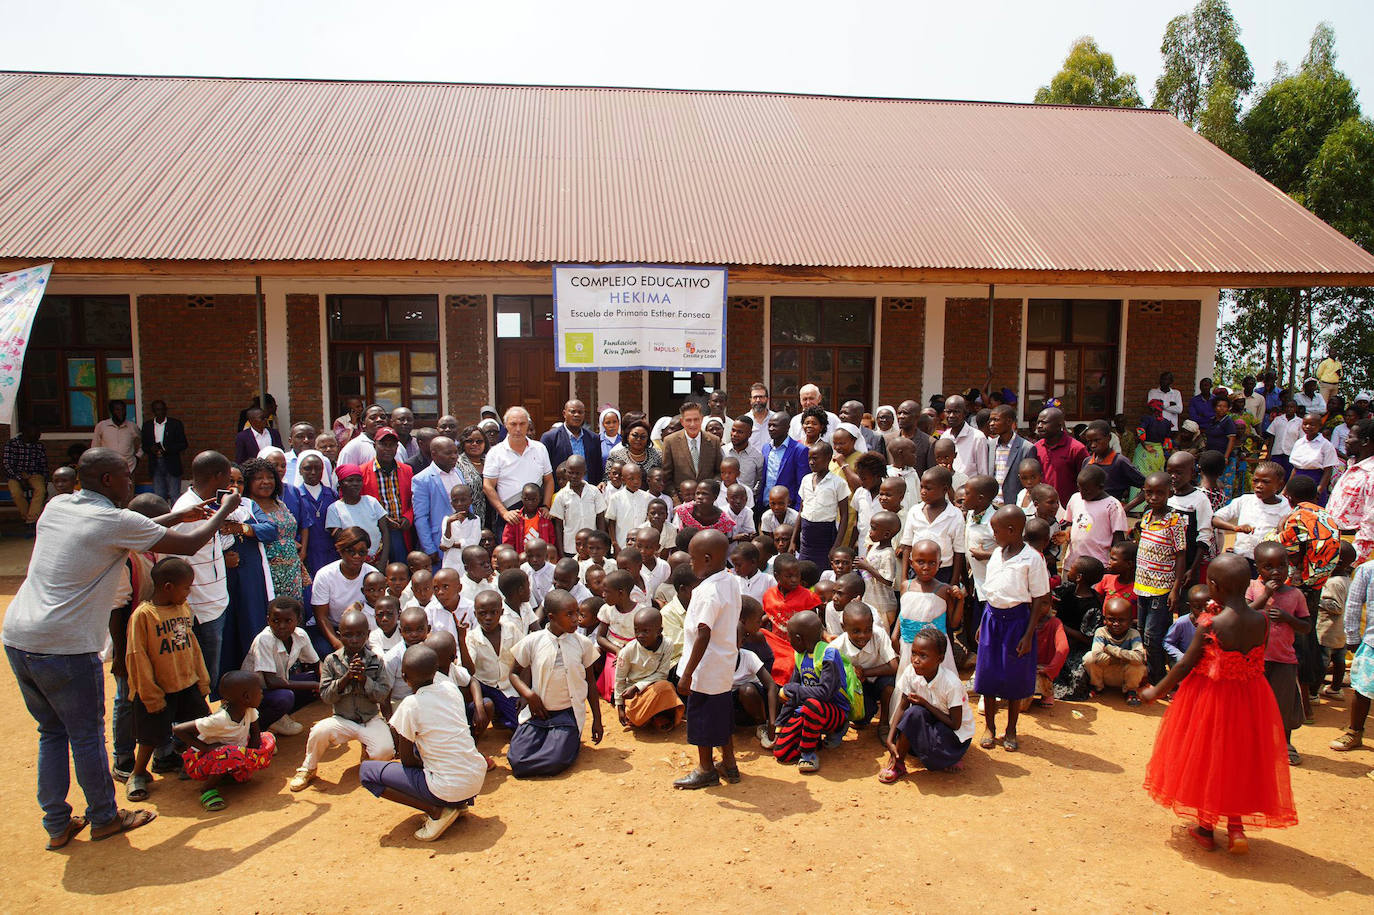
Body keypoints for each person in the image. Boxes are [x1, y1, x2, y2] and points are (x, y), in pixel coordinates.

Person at [4, 447, 241, 847]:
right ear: (109, 480)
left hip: (18, 636)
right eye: (126, 477)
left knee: (51, 732)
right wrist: (224, 509)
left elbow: (123, 530)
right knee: (85, 735)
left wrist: (178, 517)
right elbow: (188, 545)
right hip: (65, 646)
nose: (132, 482)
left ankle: (57, 823)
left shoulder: (58, 506)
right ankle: (104, 816)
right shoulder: (110, 520)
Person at [1140, 554, 1297, 853]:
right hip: (1250, 698)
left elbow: (1185, 664)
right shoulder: (1261, 620)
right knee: (1238, 759)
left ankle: (1206, 828)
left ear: (1214, 586)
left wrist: (1156, 691)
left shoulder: (1210, 624)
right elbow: (1246, 622)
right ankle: (1236, 829)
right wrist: (1264, 597)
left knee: (1208, 758)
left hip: (1211, 699)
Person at [123, 557, 209, 802]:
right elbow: (137, 657)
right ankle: (138, 774)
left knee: (198, 727)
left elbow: (192, 646)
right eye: (186, 588)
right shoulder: (144, 615)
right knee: (150, 737)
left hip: (187, 683)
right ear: (168, 587)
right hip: (158, 689)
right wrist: (150, 694)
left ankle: (186, 763)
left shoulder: (183, 608)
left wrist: (201, 679)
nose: (189, 592)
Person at [290, 609, 394, 791]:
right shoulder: (331, 661)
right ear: (340, 635)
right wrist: (346, 678)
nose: (354, 640)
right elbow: (326, 696)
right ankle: (308, 768)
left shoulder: (376, 661)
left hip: (369, 719)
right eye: (348, 635)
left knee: (385, 752)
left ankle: (367, 751)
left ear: (367, 635)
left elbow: (382, 694)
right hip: (342, 719)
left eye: (359, 634)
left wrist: (364, 680)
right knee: (318, 732)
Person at [975, 506, 1051, 753]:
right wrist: (982, 623)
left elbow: (1040, 599)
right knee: (988, 674)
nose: (993, 534)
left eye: (996, 530)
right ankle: (989, 727)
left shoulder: (1032, 559)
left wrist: (1028, 635)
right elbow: (992, 591)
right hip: (992, 618)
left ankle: (1011, 729)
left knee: (1014, 676)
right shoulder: (997, 553)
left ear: (1011, 530)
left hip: (1017, 621)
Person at [674, 529, 743, 787]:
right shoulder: (731, 581)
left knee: (701, 719)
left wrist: (688, 673)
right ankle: (729, 763)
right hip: (723, 665)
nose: (690, 564)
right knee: (722, 714)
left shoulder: (707, 591)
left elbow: (703, 632)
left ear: (706, 558)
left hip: (704, 669)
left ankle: (705, 769)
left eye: (692, 559)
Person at [508, 590, 603, 777]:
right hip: (539, 712)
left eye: (577, 612)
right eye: (569, 614)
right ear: (551, 617)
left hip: (567, 714)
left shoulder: (583, 644)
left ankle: (563, 744)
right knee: (517, 759)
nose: (576, 618)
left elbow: (591, 683)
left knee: (557, 759)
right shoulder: (532, 641)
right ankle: (557, 745)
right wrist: (529, 695)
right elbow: (513, 674)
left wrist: (597, 721)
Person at [174, 669, 276, 811]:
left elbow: (255, 735)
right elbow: (179, 730)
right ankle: (207, 789)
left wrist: (250, 759)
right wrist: (206, 748)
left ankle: (229, 773)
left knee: (267, 738)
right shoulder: (219, 720)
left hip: (230, 752)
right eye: (258, 690)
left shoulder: (249, 709)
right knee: (229, 753)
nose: (261, 692)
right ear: (246, 697)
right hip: (200, 761)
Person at [880, 627, 972, 782]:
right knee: (913, 713)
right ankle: (897, 763)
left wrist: (926, 704)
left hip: (952, 734)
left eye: (923, 656)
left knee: (921, 714)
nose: (916, 659)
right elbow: (902, 707)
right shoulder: (911, 672)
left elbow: (955, 724)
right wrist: (890, 739)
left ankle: (949, 757)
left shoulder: (951, 684)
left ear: (940, 659)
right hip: (930, 727)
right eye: (914, 653)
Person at [772, 610, 852, 773]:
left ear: (799, 639)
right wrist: (781, 723)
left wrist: (792, 689)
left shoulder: (829, 654)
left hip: (834, 711)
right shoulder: (800, 655)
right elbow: (793, 692)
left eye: (790, 637)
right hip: (807, 711)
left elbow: (825, 693)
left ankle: (808, 754)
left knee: (812, 705)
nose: (789, 640)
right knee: (782, 752)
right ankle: (811, 740)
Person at [1134, 472, 1189, 684]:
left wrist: (1175, 588)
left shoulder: (1175, 520)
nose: (1154, 497)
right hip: (1142, 585)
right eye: (1149, 493)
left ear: (1170, 493)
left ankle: (1161, 680)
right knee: (1141, 631)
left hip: (1162, 588)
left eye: (1160, 493)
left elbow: (1181, 554)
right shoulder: (1146, 516)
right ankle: (1152, 673)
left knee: (1153, 636)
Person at [242, 596, 320, 735]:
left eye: (288, 621)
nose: (281, 626)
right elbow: (272, 682)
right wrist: (315, 685)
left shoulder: (300, 635)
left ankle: (278, 718)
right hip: (255, 693)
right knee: (285, 697)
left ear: (298, 620)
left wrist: (322, 683)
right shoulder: (264, 639)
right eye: (275, 621)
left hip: (277, 687)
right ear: (268, 620)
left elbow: (315, 663)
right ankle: (256, 731)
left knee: (318, 679)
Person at [484, 406, 555, 545]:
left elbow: (549, 480)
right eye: (513, 424)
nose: (518, 429)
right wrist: (504, 512)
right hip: (511, 517)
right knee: (510, 559)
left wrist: (546, 506)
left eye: (522, 424)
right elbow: (487, 486)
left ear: (528, 425)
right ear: (505, 425)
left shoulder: (540, 448)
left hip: (537, 516)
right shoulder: (496, 452)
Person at [310, 527, 381, 654]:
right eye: (351, 551)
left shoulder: (372, 574)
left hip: (361, 631)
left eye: (362, 552)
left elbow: (380, 606)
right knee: (327, 653)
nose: (357, 556)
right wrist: (338, 645)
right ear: (341, 551)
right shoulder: (325, 575)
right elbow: (321, 617)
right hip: (330, 627)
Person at [1211, 461, 1290, 571]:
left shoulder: (1287, 508)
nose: (1259, 486)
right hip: (1241, 560)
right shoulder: (1245, 500)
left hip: (1268, 566)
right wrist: (1235, 528)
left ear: (1280, 485)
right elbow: (1215, 519)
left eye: (1265, 482)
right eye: (1255, 481)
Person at [614, 606, 684, 731]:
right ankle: (648, 716)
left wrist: (638, 686)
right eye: (636, 630)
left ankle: (653, 717)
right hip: (634, 694)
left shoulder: (667, 644)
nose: (640, 635)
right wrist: (619, 707)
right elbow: (619, 679)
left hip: (653, 688)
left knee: (666, 687)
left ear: (659, 631)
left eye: (645, 631)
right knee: (636, 714)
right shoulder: (628, 651)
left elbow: (662, 674)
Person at [1332, 558, 1374, 751]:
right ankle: (1354, 732)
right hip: (1372, 643)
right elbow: (1354, 603)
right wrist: (1352, 636)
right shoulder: (1367, 570)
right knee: (1362, 689)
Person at [360, 426, 415, 560]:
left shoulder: (407, 470)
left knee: (400, 570)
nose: (388, 449)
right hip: (375, 530)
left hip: (401, 531)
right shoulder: (362, 472)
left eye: (392, 445)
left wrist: (408, 517)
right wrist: (382, 519)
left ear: (397, 447)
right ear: (374, 445)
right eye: (383, 444)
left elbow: (415, 500)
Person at [1083, 596, 1147, 703]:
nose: (1116, 624)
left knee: (1138, 666)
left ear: (1130, 621)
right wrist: (1125, 658)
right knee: (1089, 658)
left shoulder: (1133, 634)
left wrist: (1112, 649)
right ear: (1104, 620)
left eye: (1121, 620)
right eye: (1111, 620)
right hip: (1106, 673)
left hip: (1124, 675)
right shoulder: (1101, 632)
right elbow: (1096, 655)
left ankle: (1131, 690)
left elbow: (1139, 657)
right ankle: (1097, 686)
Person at [1063, 464, 1128, 568]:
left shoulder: (1112, 505)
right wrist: (1066, 533)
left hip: (1097, 566)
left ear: (1100, 487)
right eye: (1080, 489)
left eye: (1086, 490)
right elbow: (1070, 523)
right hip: (1072, 564)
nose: (1082, 494)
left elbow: (1118, 538)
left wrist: (1115, 564)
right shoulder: (1075, 498)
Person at [1328, 418, 1374, 561]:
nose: (1346, 441)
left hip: (1350, 546)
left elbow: (1370, 521)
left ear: (1365, 442)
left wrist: (1355, 559)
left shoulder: (1371, 474)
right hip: (1333, 540)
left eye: (1350, 437)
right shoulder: (1352, 467)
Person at [797, 442, 848, 567]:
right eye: (809, 458)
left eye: (815, 458)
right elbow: (801, 510)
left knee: (823, 573)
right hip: (806, 535)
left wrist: (836, 546)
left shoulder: (838, 483)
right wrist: (794, 540)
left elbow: (845, 516)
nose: (811, 462)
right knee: (804, 572)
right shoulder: (806, 479)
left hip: (825, 535)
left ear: (827, 459)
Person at [294, 451, 340, 578]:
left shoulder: (332, 495)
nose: (313, 472)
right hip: (307, 554)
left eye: (317, 468)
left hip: (331, 553)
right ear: (300, 471)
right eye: (308, 468)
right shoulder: (295, 496)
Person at [550, 454, 606, 558]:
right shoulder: (561, 496)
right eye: (570, 473)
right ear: (566, 472)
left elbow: (600, 519)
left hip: (592, 547)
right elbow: (558, 526)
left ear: (584, 473)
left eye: (577, 473)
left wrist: (601, 544)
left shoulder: (594, 492)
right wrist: (561, 552)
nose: (574, 476)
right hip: (570, 547)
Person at [661, 400, 722, 491]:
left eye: (696, 419)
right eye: (688, 420)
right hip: (681, 499)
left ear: (701, 419)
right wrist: (676, 500)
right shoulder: (670, 442)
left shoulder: (714, 441)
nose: (693, 424)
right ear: (682, 421)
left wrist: (712, 489)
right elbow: (666, 476)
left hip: (708, 498)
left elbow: (719, 472)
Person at [542, 399, 605, 485]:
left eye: (580, 412)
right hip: (561, 493)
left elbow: (598, 468)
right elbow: (545, 471)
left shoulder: (593, 438)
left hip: (587, 493)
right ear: (564, 413)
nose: (577, 415)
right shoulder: (550, 438)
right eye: (573, 412)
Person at [1032, 407, 1087, 506]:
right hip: (1041, 508)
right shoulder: (1036, 448)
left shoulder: (1076, 449)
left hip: (1067, 508)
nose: (1039, 426)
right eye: (1038, 422)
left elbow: (1086, 481)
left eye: (1044, 422)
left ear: (1059, 425)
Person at [757, 411, 808, 509]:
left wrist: (798, 509)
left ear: (787, 428)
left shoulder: (799, 450)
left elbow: (802, 484)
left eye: (775, 426)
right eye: (769, 425)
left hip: (787, 507)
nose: (771, 429)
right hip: (766, 504)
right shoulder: (766, 448)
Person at [984, 405, 1032, 507]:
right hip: (992, 505)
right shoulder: (990, 445)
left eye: (996, 420)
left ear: (1009, 421)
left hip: (1014, 506)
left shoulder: (1026, 448)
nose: (991, 424)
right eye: (990, 420)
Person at [140, 400, 188, 503]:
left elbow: (183, 444)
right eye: (157, 410)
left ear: (166, 410)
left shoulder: (175, 424)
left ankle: (176, 517)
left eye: (162, 409)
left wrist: (166, 449)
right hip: (155, 463)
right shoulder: (147, 426)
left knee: (174, 494)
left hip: (172, 462)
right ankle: (164, 517)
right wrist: (151, 449)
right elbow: (144, 445)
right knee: (159, 495)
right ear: (153, 411)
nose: (160, 412)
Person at [4, 419, 49, 527]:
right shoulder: (11, 444)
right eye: (36, 432)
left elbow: (43, 466)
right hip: (15, 474)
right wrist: (20, 478)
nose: (39, 434)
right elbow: (7, 465)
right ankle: (27, 516)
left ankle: (31, 520)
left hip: (34, 474)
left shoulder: (39, 446)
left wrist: (45, 482)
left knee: (40, 490)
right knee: (16, 493)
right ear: (26, 431)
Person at [1288, 411, 1338, 505]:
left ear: (1320, 426)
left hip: (1315, 482)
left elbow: (1328, 471)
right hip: (1297, 483)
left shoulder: (1326, 445)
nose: (1307, 427)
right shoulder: (1299, 443)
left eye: (1312, 424)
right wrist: (1287, 489)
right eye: (1305, 424)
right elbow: (1295, 469)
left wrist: (1319, 490)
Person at [91, 399, 142, 473]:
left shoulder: (132, 426)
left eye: (123, 409)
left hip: (128, 468)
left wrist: (138, 457)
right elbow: (95, 447)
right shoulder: (102, 426)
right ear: (111, 411)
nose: (121, 412)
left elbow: (140, 444)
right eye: (117, 410)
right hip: (107, 469)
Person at [722, 416, 765, 494]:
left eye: (740, 432)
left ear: (750, 434)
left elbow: (760, 480)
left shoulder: (757, 456)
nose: (734, 434)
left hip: (747, 501)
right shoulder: (722, 451)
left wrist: (752, 494)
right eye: (733, 430)